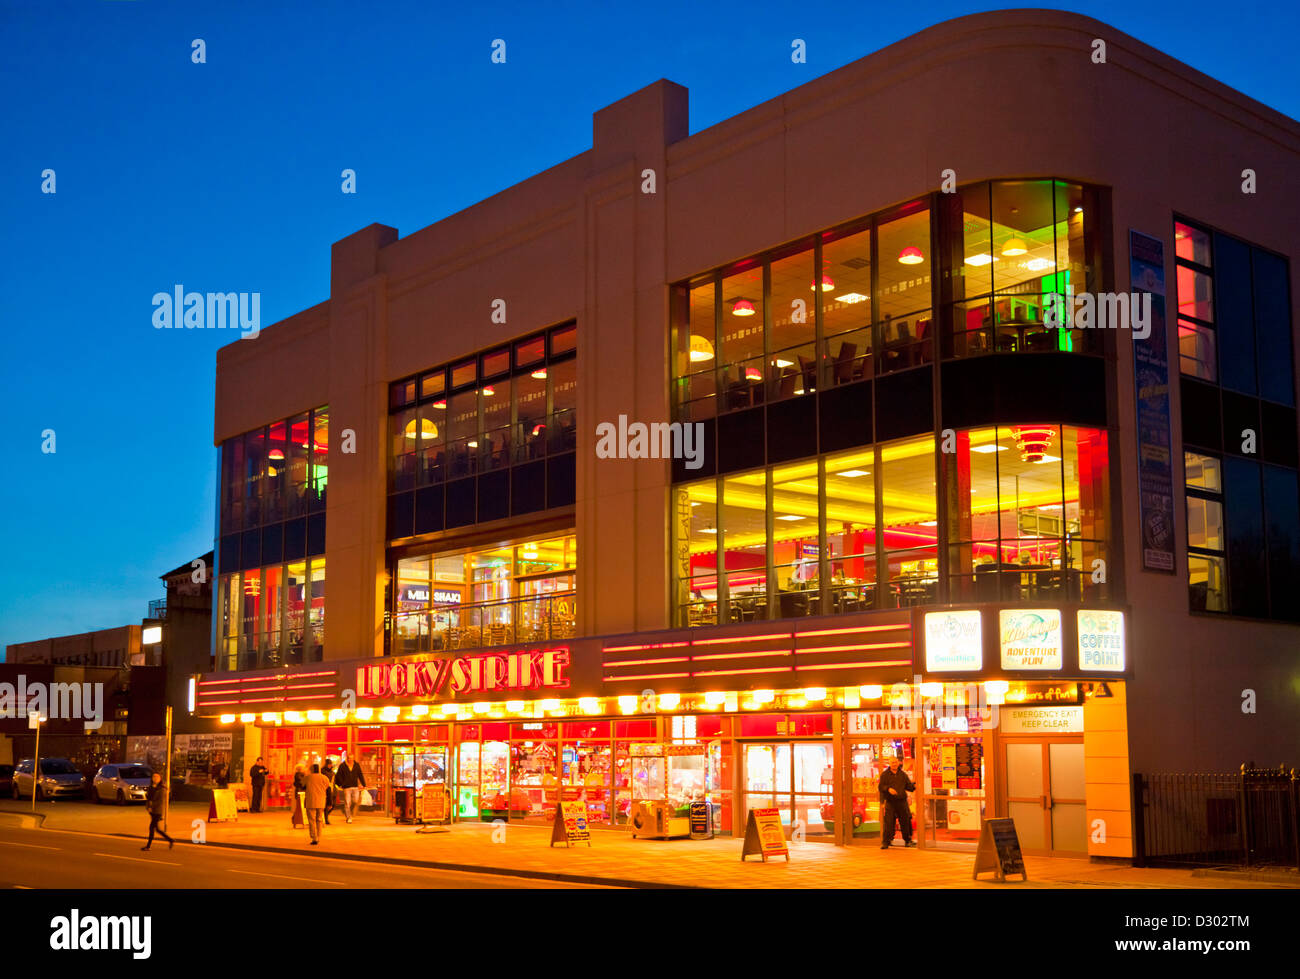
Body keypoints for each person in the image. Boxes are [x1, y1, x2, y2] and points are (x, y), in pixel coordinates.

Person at [878, 757, 916, 849]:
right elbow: (880, 787)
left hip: (902, 802)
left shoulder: (903, 775)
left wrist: (915, 784)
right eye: (892, 763)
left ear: (898, 763)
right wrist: (888, 789)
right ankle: (886, 842)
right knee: (888, 823)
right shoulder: (884, 775)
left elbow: (909, 787)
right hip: (890, 802)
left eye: (895, 762)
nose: (894, 764)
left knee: (905, 821)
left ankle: (907, 840)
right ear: (889, 764)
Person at [141, 772, 174, 851]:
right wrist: (148, 807)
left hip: (157, 811)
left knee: (151, 828)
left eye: (157, 777)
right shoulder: (151, 787)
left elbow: (160, 802)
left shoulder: (162, 789)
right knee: (157, 829)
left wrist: (152, 807)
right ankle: (170, 840)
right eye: (154, 776)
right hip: (151, 811)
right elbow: (148, 799)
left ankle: (148, 846)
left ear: (160, 779)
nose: (155, 778)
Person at [334, 755, 366, 824]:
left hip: (355, 786)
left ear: (353, 758)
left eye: (351, 758)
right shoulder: (342, 766)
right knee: (347, 802)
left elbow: (360, 774)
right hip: (346, 787)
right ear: (347, 758)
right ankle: (348, 817)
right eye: (349, 758)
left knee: (355, 801)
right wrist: (341, 784)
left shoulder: (356, 765)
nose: (350, 759)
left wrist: (364, 784)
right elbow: (338, 776)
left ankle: (348, 810)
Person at [304, 763, 331, 845]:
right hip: (321, 801)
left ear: (311, 770)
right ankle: (319, 836)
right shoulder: (324, 778)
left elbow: (302, 785)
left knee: (311, 820)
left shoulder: (308, 777)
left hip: (311, 801)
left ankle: (314, 837)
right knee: (319, 819)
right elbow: (328, 788)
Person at [321, 758, 336, 825]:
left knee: (333, 805)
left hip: (332, 789)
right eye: (329, 764)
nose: (330, 765)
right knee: (327, 804)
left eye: (331, 764)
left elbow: (334, 781)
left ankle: (325, 816)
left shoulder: (332, 772)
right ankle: (326, 818)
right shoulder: (322, 771)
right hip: (326, 790)